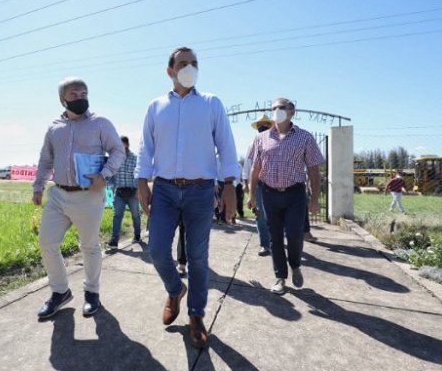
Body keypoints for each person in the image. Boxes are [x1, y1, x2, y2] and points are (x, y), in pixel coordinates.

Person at [135, 47, 239, 348]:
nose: (189, 67)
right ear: (170, 70)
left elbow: (226, 146)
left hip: (201, 190)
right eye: (183, 63)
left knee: (197, 257)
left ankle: (195, 316)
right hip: (165, 189)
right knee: (156, 249)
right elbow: (146, 148)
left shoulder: (211, 103)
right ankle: (174, 289)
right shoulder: (156, 106)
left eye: (194, 63)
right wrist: (143, 182)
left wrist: (229, 184)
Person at [32, 77, 125, 319]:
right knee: (47, 243)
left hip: (89, 196)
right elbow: (45, 159)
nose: (80, 97)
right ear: (62, 99)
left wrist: (104, 175)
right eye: (74, 94)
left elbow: (118, 150)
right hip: (58, 194)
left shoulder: (100, 123)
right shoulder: (54, 128)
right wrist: (38, 186)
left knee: (89, 246)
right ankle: (60, 292)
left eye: (84, 93)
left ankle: (92, 293)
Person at [247, 98, 324, 296]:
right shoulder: (261, 139)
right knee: (274, 238)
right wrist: (251, 195)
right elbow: (255, 169)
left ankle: (295, 265)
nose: (277, 111)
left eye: (281, 108)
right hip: (269, 193)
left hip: (295, 193)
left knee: (294, 234)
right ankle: (280, 277)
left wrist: (314, 198)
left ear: (292, 112)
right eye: (273, 108)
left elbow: (314, 169)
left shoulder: (304, 137)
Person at [242, 114, 274, 256]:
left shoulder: (278, 142)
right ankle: (265, 245)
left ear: (270, 126)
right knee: (260, 214)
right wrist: (246, 183)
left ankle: (275, 240)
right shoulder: (253, 144)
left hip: (275, 184)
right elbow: (248, 165)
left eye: (265, 125)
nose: (262, 128)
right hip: (259, 184)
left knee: (275, 214)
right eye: (260, 126)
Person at [109, 136, 142, 248]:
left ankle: (137, 235)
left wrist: (139, 190)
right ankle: (114, 240)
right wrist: (112, 186)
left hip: (133, 193)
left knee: (135, 215)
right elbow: (111, 174)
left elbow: (138, 175)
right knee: (117, 216)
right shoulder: (114, 159)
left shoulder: (135, 158)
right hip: (119, 192)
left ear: (127, 145)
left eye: (122, 145)